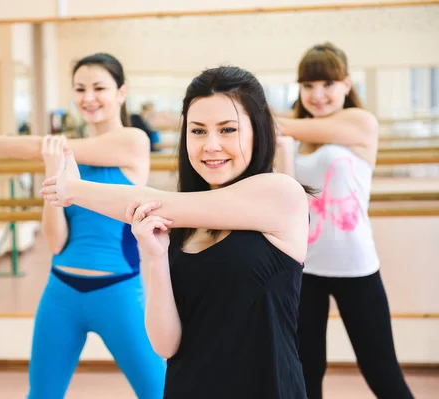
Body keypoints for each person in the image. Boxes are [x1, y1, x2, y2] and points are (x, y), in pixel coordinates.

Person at [40, 66, 312, 398]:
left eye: (228, 130)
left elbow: (153, 202)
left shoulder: (280, 194)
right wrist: (153, 257)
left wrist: (73, 190)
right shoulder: (182, 224)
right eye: (198, 131)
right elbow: (166, 344)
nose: (211, 145)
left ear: (258, 131)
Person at [0, 53, 166, 399]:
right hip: (61, 294)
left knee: (158, 392)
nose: (89, 97)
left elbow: (41, 146)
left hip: (119, 294)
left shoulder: (132, 141)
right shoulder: (62, 155)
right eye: (80, 88)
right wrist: (53, 172)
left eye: (100, 87)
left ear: (121, 92)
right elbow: (55, 243)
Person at [275, 42, 414, 399]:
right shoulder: (293, 137)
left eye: (327, 84)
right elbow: (290, 197)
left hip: (356, 268)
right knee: (306, 372)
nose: (317, 94)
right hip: (304, 267)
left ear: (347, 85)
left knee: (380, 371)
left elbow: (285, 124)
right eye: (308, 86)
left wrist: (263, 119)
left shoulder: (361, 122)